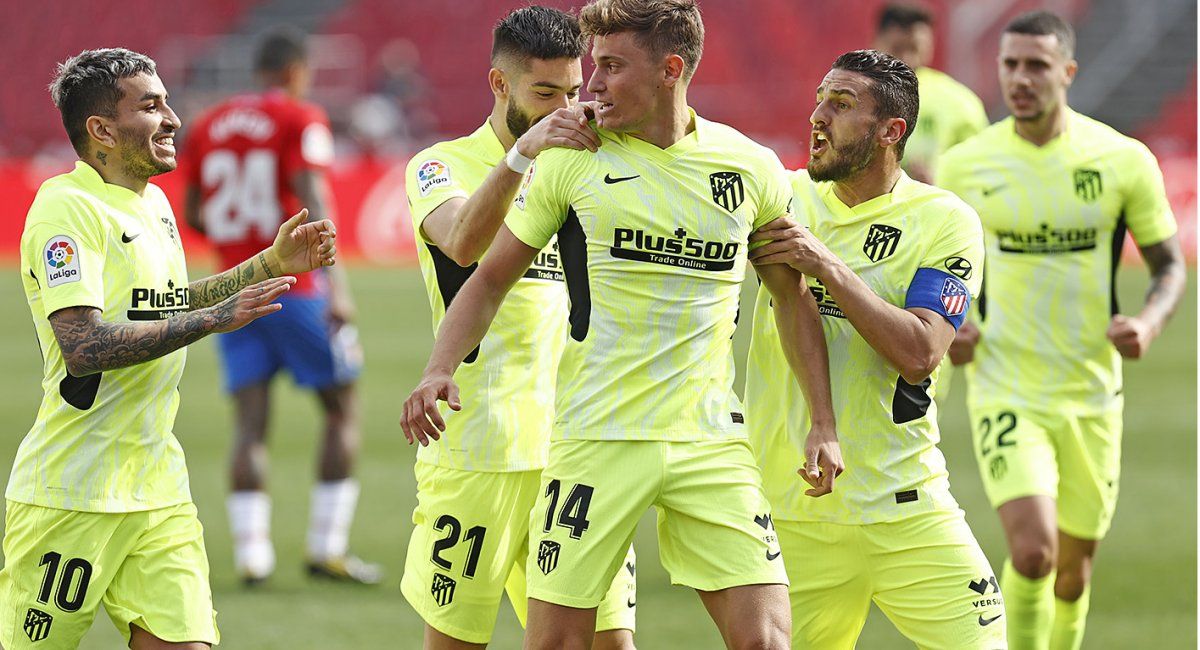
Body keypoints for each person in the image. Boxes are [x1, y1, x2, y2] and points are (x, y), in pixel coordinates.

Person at [403, 1, 842, 647]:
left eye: (606, 69)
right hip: (563, 438)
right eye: (585, 72)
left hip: (696, 436)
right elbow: (480, 267)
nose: (589, 89)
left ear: (670, 69)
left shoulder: (748, 166)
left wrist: (823, 423)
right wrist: (438, 368)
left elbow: (790, 296)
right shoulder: (551, 159)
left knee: (760, 639)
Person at [2, 48, 335, 649]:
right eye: (151, 106)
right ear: (102, 130)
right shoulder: (65, 208)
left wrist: (268, 263)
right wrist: (211, 320)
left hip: (157, 487)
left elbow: (166, 302)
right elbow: (83, 345)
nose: (174, 118)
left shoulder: (153, 204)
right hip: (72, 494)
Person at [938, 11, 1186, 650]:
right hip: (1006, 386)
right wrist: (950, 323)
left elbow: (1169, 266)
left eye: (1037, 66)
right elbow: (935, 267)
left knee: (1073, 575)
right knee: (1034, 552)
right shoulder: (966, 166)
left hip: (1092, 393)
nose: (1021, 79)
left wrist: (1148, 322)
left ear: (1067, 71)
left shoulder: (1121, 160)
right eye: (1010, 65)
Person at [745, 49, 1005, 649]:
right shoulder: (779, 197)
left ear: (891, 131)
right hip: (795, 506)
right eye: (820, 101)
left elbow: (921, 352)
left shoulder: (944, 220)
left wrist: (828, 266)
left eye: (841, 105)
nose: (818, 117)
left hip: (907, 505)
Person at [400, 7, 635, 648]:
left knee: (609, 640)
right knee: (459, 641)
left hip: (577, 449)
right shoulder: (439, 165)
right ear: (499, 84)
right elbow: (461, 242)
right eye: (546, 93)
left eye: (573, 91)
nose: (566, 108)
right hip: (479, 450)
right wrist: (522, 155)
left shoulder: (586, 164)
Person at [182, 28, 379, 585]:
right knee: (341, 406)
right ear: (295, 71)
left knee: (249, 421)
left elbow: (194, 213)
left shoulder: (208, 124)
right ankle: (326, 549)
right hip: (297, 290)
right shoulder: (299, 117)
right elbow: (313, 198)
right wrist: (338, 288)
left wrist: (238, 244)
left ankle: (253, 557)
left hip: (232, 289)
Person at [873, 3, 988, 184]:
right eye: (897, 48)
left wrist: (940, 184)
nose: (906, 59)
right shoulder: (856, 94)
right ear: (877, 42)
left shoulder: (960, 102)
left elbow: (980, 170)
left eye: (914, 49)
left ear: (929, 45)